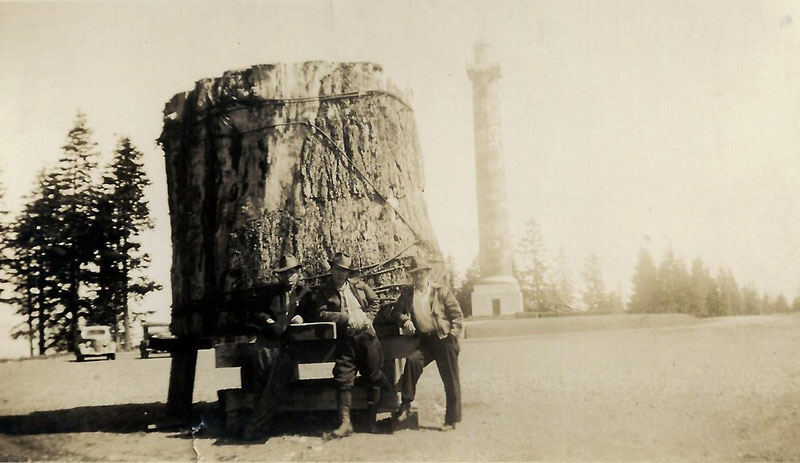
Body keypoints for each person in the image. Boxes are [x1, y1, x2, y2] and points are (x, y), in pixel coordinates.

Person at [314, 251, 386, 438]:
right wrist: (346, 318)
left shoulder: (359, 286)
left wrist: (367, 318)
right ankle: (346, 423)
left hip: (367, 337)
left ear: (348, 273)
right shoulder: (323, 291)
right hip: (346, 339)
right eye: (338, 269)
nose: (341, 274)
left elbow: (375, 301)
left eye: (344, 271)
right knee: (343, 377)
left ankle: (372, 421)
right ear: (331, 269)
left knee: (374, 376)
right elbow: (321, 314)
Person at [242, 254, 312, 439]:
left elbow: (314, 312)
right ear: (279, 276)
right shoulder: (271, 293)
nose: (288, 276)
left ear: (298, 272)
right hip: (273, 340)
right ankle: (264, 422)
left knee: (275, 372)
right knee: (262, 362)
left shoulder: (305, 293)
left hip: (294, 345)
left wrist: (303, 318)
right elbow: (257, 313)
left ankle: (256, 425)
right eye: (284, 273)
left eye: (291, 272)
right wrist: (268, 319)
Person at [391, 256, 464, 431]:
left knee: (450, 380)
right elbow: (396, 312)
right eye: (414, 274)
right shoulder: (408, 294)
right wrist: (405, 320)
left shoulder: (441, 291)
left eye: (421, 273)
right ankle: (406, 405)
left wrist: (452, 335)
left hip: (444, 339)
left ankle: (451, 419)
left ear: (427, 273)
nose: (418, 277)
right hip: (426, 340)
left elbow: (457, 316)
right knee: (413, 361)